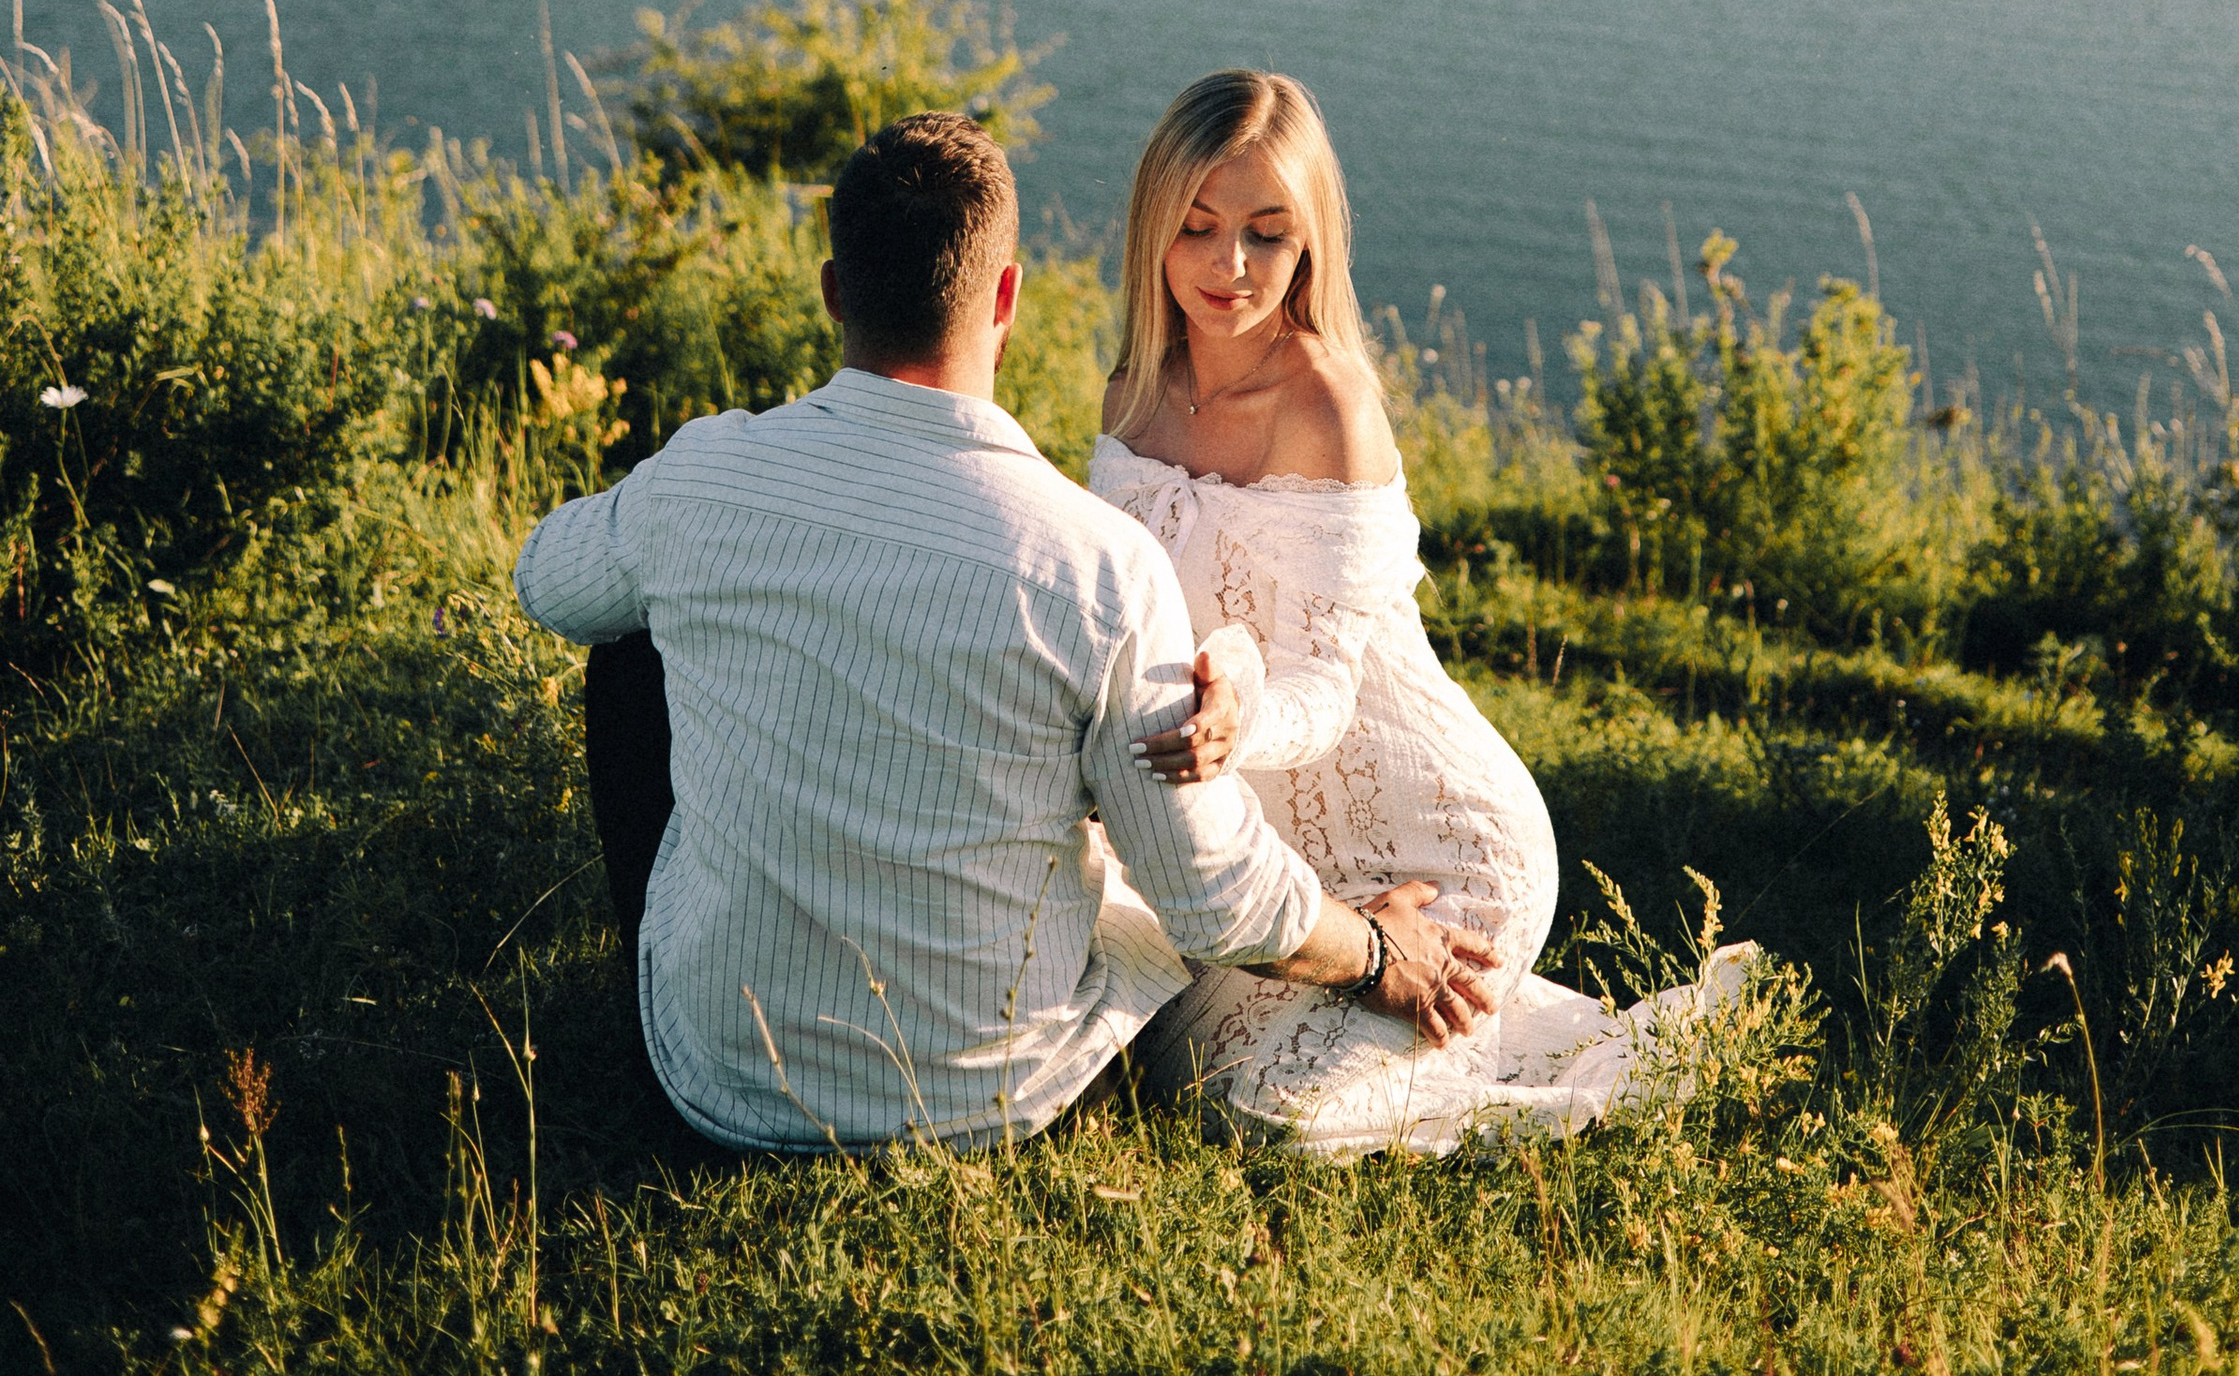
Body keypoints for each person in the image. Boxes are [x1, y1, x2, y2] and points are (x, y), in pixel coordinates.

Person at [514, 110, 1501, 1151]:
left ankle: (712, 967)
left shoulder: (702, 476)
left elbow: (547, 581)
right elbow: (1215, 905)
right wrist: (1384, 955)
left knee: (627, 651)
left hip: (715, 1076)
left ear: (833, 292)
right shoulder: (1098, 566)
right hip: (977, 1102)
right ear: (1006, 298)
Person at [1091, 71, 1753, 1153]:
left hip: (1428, 836)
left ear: (1311, 242)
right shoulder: (1132, 386)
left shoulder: (1326, 407)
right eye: (1199, 229)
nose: (1231, 267)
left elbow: (1325, 691)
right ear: (1154, 230)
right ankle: (1538, 1036)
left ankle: (1607, 1108)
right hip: (1262, 842)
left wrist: (1231, 723)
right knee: (1166, 1070)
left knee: (1259, 1115)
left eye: (1269, 233)